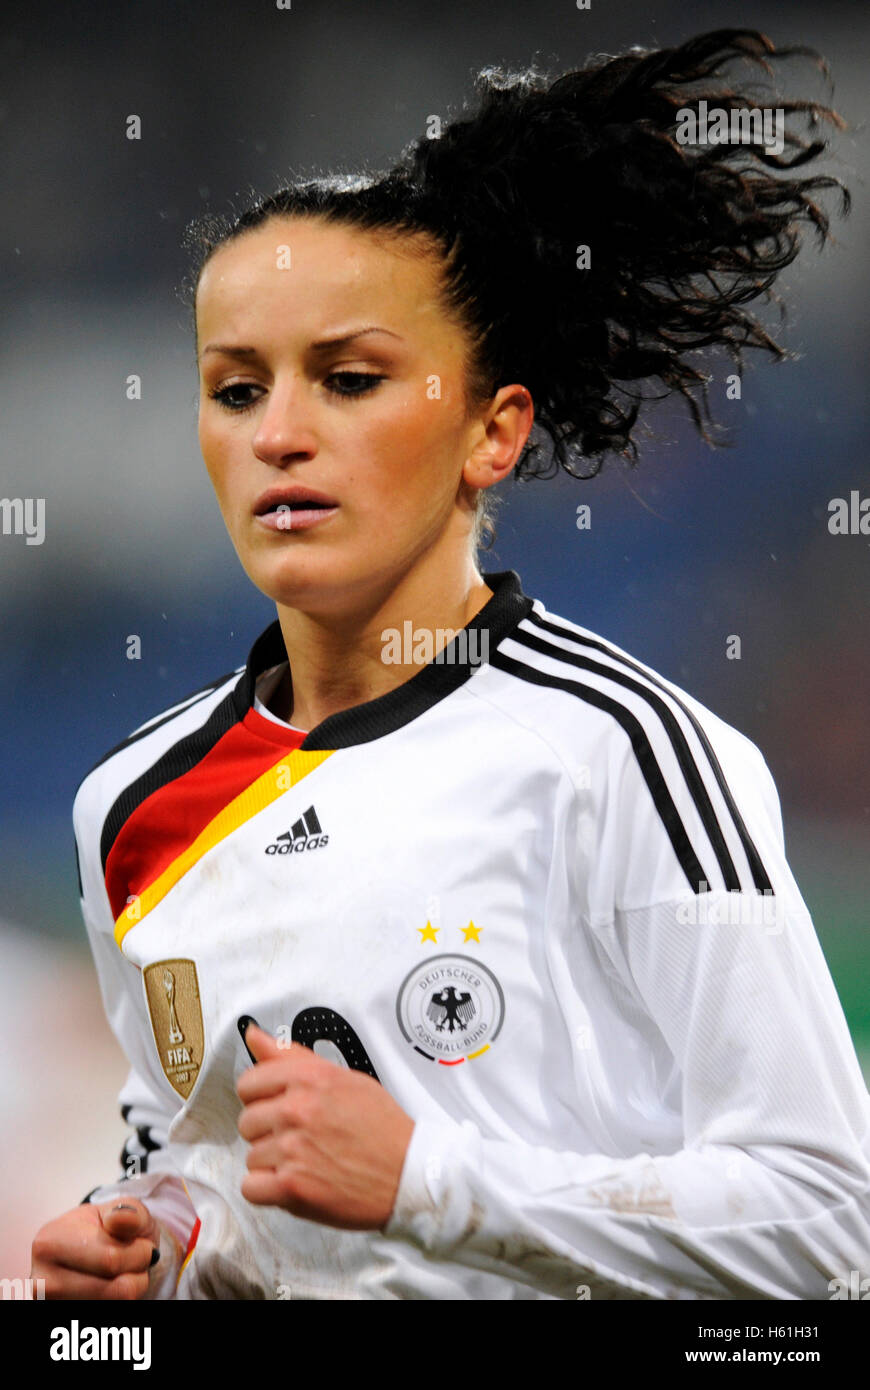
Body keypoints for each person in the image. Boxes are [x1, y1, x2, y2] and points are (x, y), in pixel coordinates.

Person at [31, 28, 870, 1300]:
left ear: (492, 430)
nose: (283, 436)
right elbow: (189, 1155)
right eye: (237, 389)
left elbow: (828, 1224)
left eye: (351, 379)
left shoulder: (629, 756)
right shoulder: (130, 805)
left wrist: (431, 1180)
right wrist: (149, 1238)